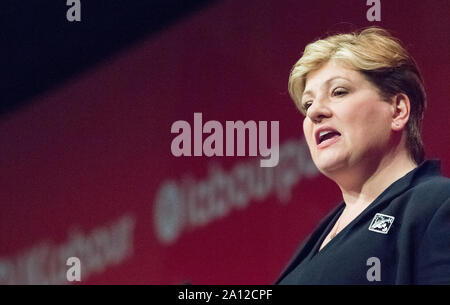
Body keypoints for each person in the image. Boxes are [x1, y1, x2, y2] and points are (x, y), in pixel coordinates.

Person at [275, 27, 450, 284]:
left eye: (338, 92)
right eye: (308, 104)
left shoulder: (436, 205)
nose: (314, 113)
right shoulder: (317, 240)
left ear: (397, 110)